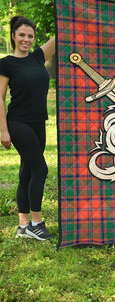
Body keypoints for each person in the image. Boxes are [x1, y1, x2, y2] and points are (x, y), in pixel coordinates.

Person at [0, 16, 55, 240]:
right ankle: (37, 223)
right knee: (41, 169)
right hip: (18, 122)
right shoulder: (6, 63)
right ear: (13, 35)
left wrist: (70, 9)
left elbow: (61, 34)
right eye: (21, 35)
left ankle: (23, 226)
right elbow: (0, 97)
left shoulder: (38, 57)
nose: (26, 39)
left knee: (27, 172)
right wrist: (3, 131)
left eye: (30, 36)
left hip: (38, 122)